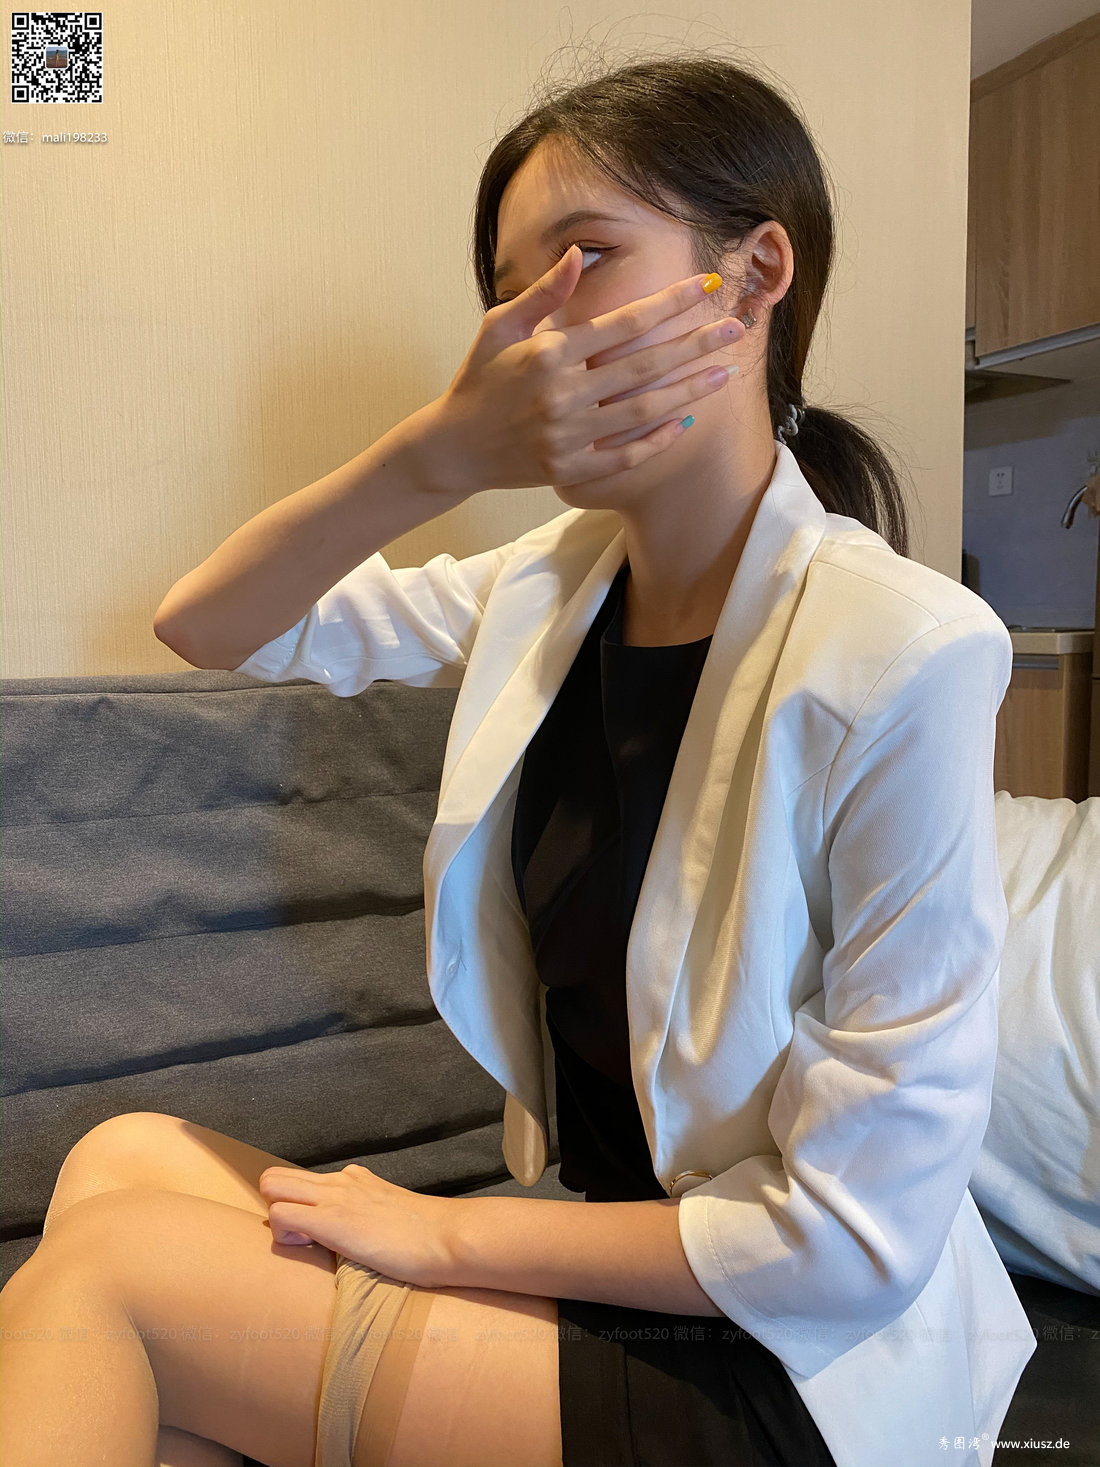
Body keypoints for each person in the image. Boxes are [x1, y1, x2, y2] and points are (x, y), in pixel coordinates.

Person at [0, 50, 1036, 1467]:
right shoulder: (549, 587)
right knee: (116, 1161)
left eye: (587, 257)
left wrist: (440, 1236)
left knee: (107, 1289)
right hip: (599, 1257)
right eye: (508, 291)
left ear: (753, 276)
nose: (537, 328)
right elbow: (214, 624)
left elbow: (849, 1240)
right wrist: (435, 458)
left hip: (788, 1355)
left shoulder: (908, 651)